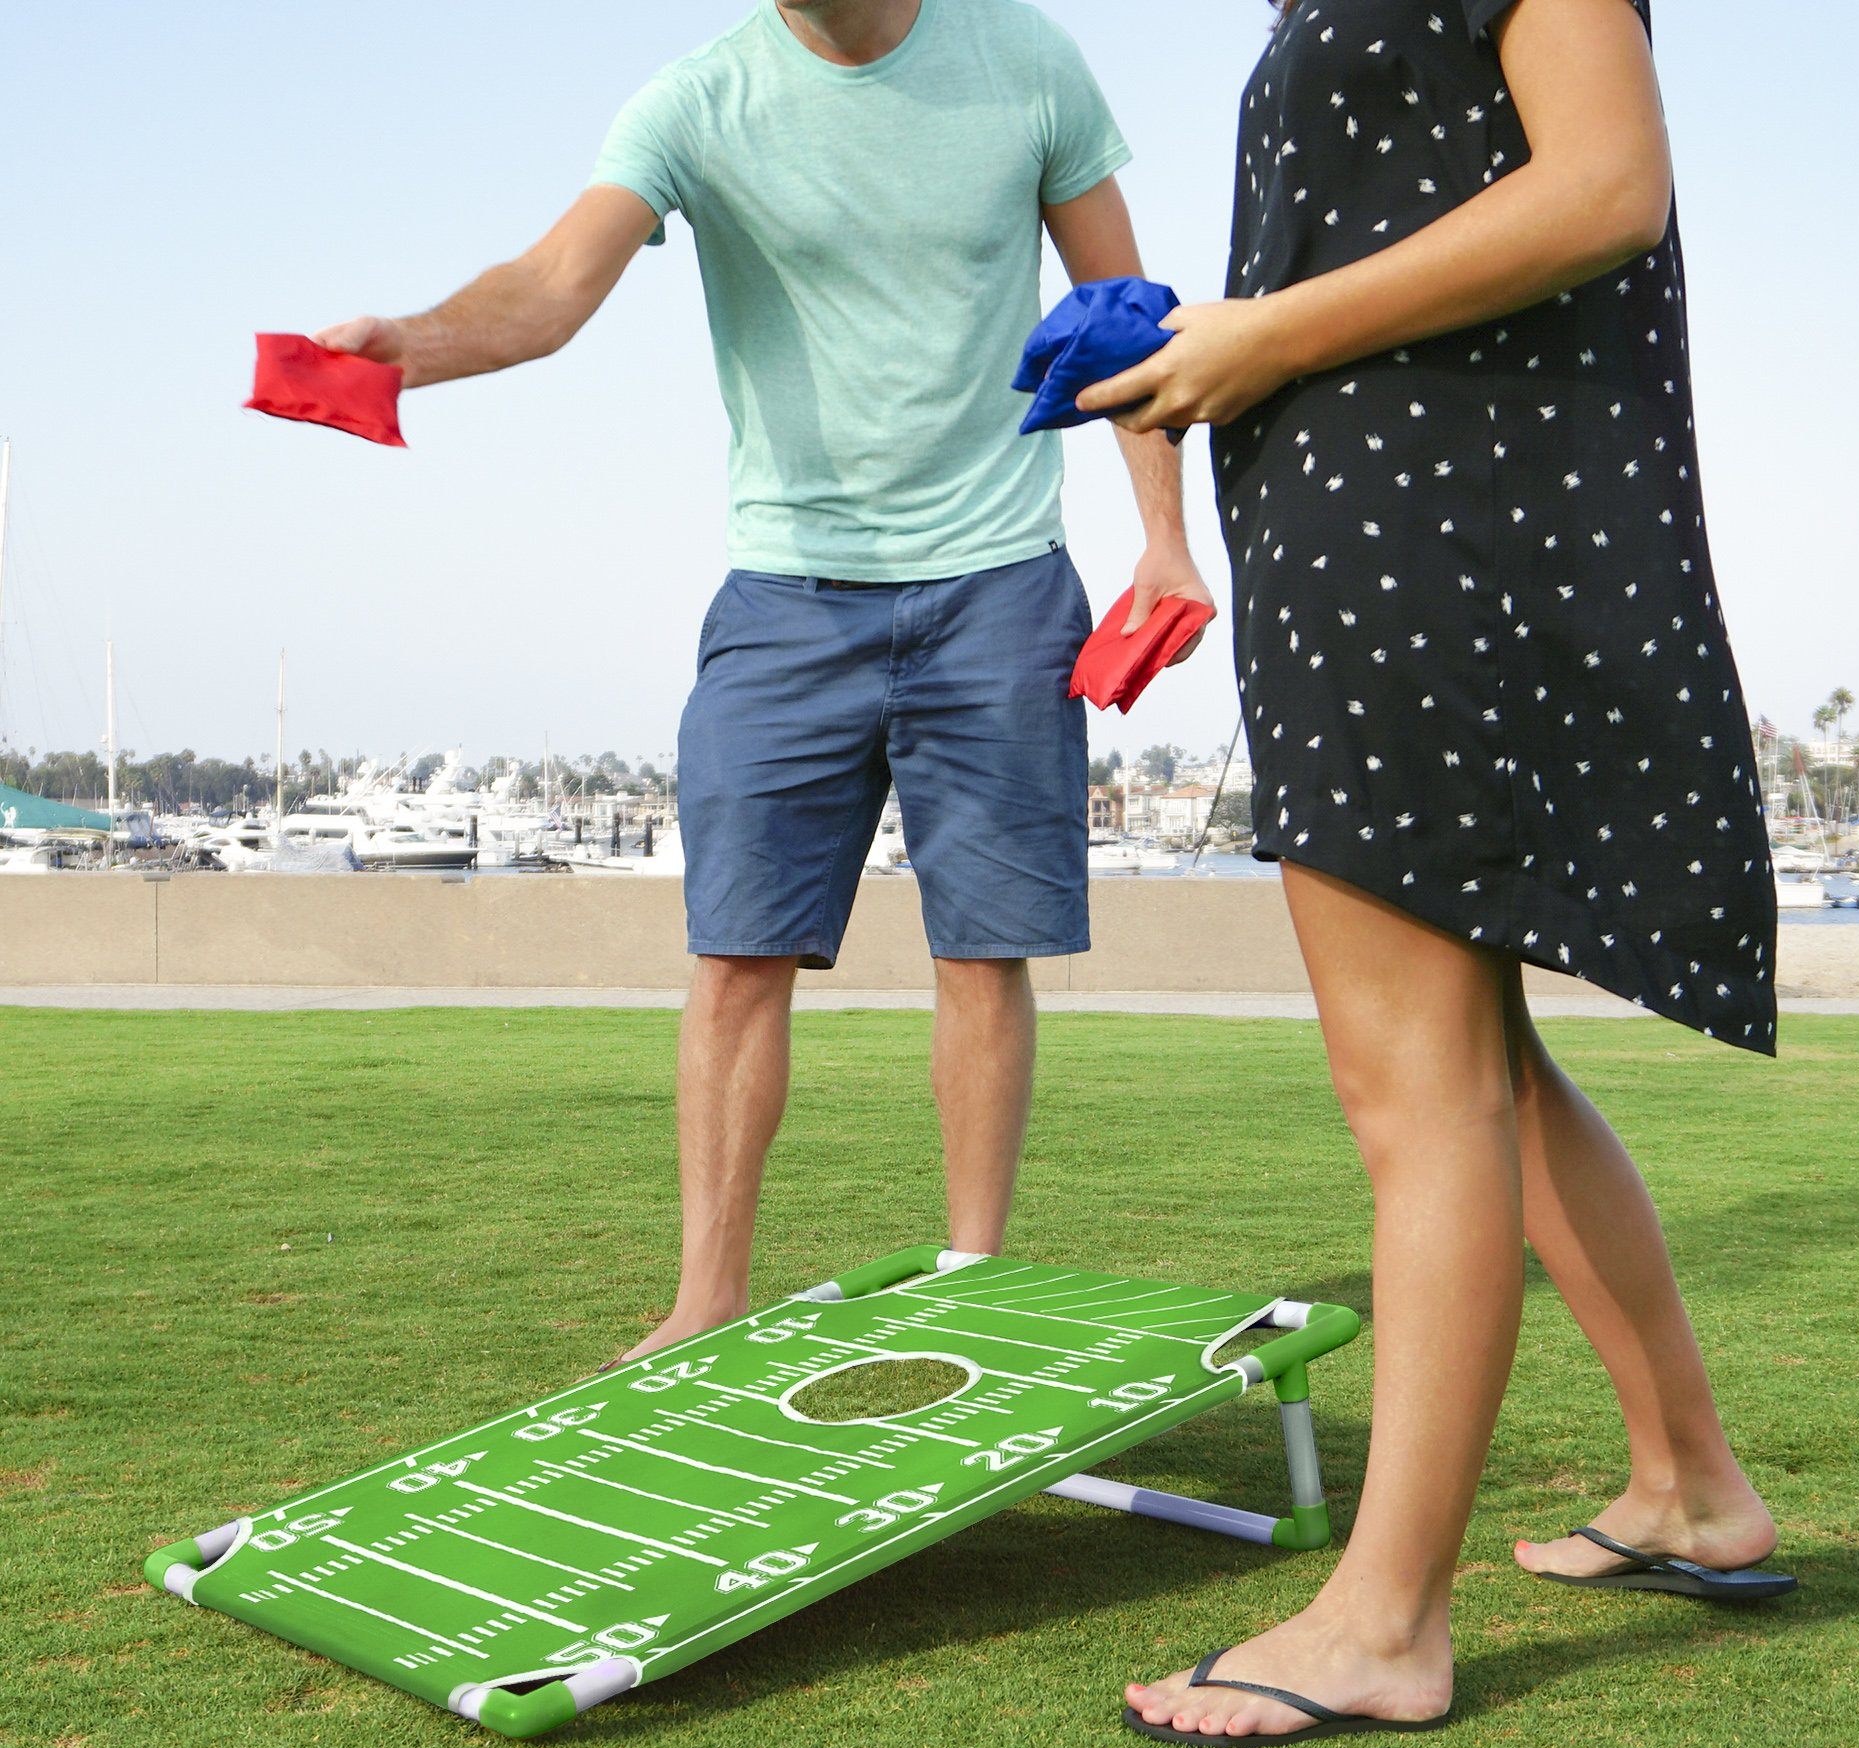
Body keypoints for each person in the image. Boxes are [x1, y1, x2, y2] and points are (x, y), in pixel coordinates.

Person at [1086, 0, 1789, 1744]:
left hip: (1428, 522)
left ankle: (1386, 1622)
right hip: (1388, 513)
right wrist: (1201, 341)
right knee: (1487, 1070)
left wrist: (1264, 338)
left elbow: (1608, 185)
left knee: (1418, 1088)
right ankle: (1692, 1488)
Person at [315, 0, 1211, 1362]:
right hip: (788, 594)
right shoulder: (695, 102)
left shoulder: (1025, 63)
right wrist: (415, 345)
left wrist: (1163, 535)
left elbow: (1122, 324)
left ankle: (973, 1276)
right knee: (735, 955)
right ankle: (707, 1297)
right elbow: (554, 287)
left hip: (997, 579)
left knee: (982, 952)